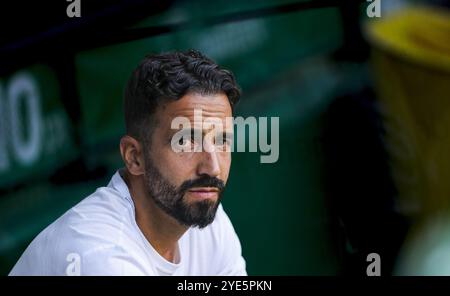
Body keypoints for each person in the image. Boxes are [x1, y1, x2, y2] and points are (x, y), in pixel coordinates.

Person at [9, 50, 247, 276]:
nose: (212, 167)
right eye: (186, 141)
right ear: (134, 157)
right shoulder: (99, 255)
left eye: (222, 140)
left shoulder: (207, 222)